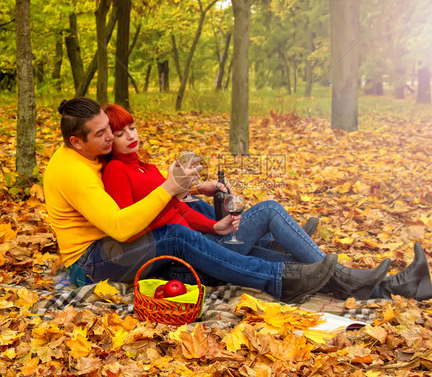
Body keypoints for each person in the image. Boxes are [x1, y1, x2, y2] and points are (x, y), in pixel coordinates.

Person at [101, 104, 432, 301]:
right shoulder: (116, 171)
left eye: (132, 127)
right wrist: (182, 204)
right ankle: (381, 283)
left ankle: (396, 287)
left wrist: (213, 224)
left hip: (200, 240)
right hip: (186, 257)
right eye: (120, 133)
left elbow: (178, 208)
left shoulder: (144, 165)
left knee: (300, 266)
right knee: (270, 209)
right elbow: (136, 222)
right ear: (107, 140)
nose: (130, 135)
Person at [43, 97, 340, 304]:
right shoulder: (73, 172)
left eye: (112, 129)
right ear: (76, 141)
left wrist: (189, 190)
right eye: (103, 134)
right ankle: (277, 274)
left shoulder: (93, 152)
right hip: (91, 263)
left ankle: (277, 250)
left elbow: (144, 191)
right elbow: (121, 227)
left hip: (111, 244)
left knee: (195, 208)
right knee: (176, 233)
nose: (111, 138)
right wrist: (171, 188)